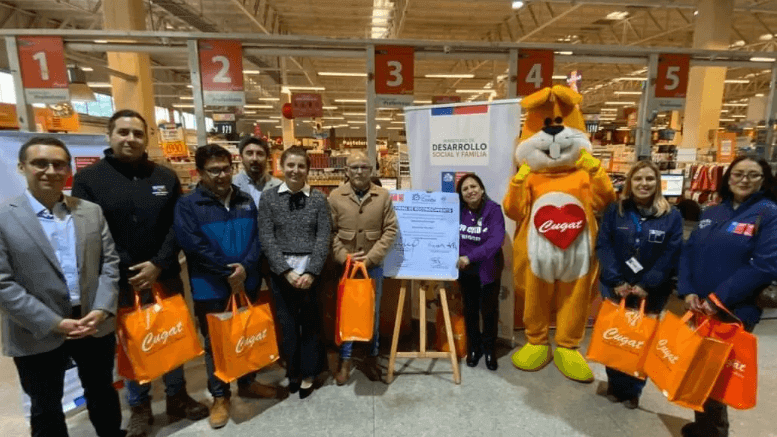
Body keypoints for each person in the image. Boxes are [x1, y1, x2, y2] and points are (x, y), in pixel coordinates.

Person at [71, 109, 207, 436]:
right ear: (109, 136)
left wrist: (158, 262)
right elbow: (88, 232)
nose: (130, 138)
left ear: (147, 138)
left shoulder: (165, 177)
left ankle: (177, 395)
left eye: (137, 133)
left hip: (165, 271)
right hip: (117, 278)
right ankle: (140, 406)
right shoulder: (89, 180)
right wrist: (127, 268)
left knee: (169, 333)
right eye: (123, 132)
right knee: (132, 340)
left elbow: (178, 224)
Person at [0, 137, 122, 436]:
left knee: (103, 393)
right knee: (45, 406)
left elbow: (109, 264)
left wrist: (103, 309)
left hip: (93, 322)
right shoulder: (4, 217)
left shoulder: (90, 211)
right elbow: (3, 283)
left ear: (68, 169)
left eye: (58, 164)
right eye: (40, 163)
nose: (51, 171)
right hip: (36, 328)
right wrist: (53, 322)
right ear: (22, 167)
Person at [174, 144, 276, 429]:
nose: (221, 175)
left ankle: (247, 382)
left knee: (246, 333)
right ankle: (220, 396)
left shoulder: (245, 200)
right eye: (214, 170)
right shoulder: (189, 205)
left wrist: (246, 267)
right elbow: (193, 245)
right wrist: (226, 271)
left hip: (246, 281)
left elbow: (258, 237)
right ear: (200, 172)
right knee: (216, 342)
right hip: (210, 286)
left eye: (225, 169)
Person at [678, 156, 777, 437]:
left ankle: (716, 431)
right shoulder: (712, 211)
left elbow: (765, 264)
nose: (744, 180)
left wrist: (717, 299)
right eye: (738, 174)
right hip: (699, 306)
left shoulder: (768, 213)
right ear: (728, 177)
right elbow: (690, 250)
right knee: (700, 367)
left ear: (764, 180)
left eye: (753, 175)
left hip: (735, 309)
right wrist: (687, 291)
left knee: (720, 375)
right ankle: (702, 426)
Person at [595, 160, 683, 409]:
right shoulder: (616, 210)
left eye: (649, 179)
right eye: (638, 179)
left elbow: (672, 253)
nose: (644, 184)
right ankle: (615, 384)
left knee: (641, 341)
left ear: (657, 183)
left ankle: (633, 390)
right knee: (616, 337)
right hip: (616, 288)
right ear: (630, 183)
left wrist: (648, 283)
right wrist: (616, 281)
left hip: (651, 291)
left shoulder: (671, 215)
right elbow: (604, 245)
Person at [258, 146, 330, 399]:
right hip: (281, 273)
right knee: (287, 324)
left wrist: (311, 272)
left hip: (311, 270)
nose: (295, 170)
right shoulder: (268, 198)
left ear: (308, 169)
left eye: (301, 166)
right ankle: (293, 371)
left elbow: (323, 237)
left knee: (310, 323)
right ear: (281, 166)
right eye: (290, 165)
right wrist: (286, 271)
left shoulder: (319, 199)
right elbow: (266, 237)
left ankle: (310, 372)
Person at [328, 151, 398, 384]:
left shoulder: (382, 197)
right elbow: (330, 232)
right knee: (346, 315)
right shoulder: (335, 197)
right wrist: (343, 257)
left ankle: (372, 357)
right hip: (346, 268)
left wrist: (371, 258)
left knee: (372, 314)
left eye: (364, 167)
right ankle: (345, 360)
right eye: (354, 167)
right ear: (347, 171)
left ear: (371, 170)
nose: (359, 171)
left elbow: (390, 230)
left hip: (372, 267)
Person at [455, 174, 506, 371]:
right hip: (466, 271)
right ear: (461, 194)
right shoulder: (458, 211)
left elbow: (496, 241)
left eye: (474, 186)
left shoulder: (493, 210)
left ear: (482, 189)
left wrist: (470, 256)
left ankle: (490, 350)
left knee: (489, 312)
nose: (470, 191)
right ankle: (474, 348)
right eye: (465, 189)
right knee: (470, 311)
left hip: (488, 269)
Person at [233, 135, 282, 206]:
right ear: (241, 157)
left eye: (260, 154)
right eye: (249, 153)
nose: (254, 158)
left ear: (267, 158)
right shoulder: (230, 185)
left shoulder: (278, 186)